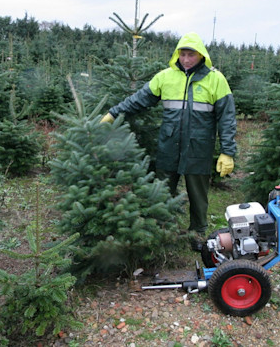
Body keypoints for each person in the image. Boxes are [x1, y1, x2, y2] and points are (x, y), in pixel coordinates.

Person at [101, 32, 237, 251]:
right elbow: (139, 100)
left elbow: (227, 118)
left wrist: (227, 151)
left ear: (201, 55)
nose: (186, 59)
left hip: (198, 149)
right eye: (182, 54)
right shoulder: (165, 77)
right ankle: (164, 230)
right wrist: (114, 113)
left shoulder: (216, 79)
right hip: (168, 146)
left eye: (190, 54)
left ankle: (198, 233)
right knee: (164, 191)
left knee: (198, 195)